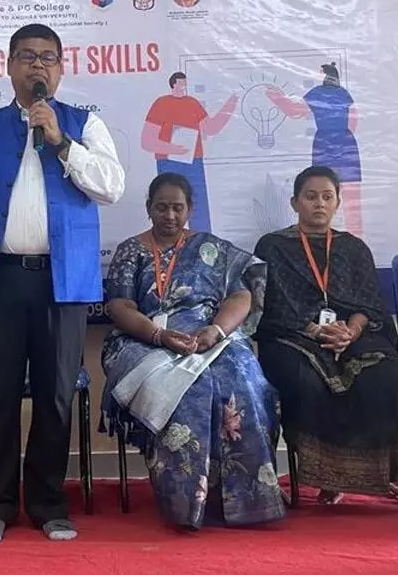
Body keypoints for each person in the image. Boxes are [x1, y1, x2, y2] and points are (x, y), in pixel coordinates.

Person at [0, 23, 125, 543]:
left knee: (55, 395)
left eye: (47, 58)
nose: (37, 66)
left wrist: (62, 144)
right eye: (26, 57)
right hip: (0, 280)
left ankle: (47, 503)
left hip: (62, 284)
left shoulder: (84, 124)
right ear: (10, 67)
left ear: (61, 70)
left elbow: (111, 186)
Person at [101, 172, 285, 529]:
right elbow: (119, 307)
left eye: (177, 208)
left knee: (244, 379)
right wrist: (159, 335)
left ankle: (248, 500)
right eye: (161, 207)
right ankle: (187, 504)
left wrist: (215, 332)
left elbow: (241, 294)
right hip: (145, 338)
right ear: (149, 208)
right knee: (190, 391)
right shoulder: (131, 250)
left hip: (210, 335)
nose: (169, 215)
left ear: (190, 209)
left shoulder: (212, 248)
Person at [254, 166, 398, 503]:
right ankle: (325, 476)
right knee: (305, 381)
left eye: (327, 197)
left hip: (353, 334)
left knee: (390, 375)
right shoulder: (273, 246)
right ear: (294, 202)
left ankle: (375, 475)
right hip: (294, 335)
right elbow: (268, 304)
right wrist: (315, 329)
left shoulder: (353, 248)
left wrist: (351, 329)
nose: (319, 204)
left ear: (337, 203)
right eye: (310, 196)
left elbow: (370, 304)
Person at [265, 63, 364, 235]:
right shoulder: (343, 93)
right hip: (347, 144)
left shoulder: (319, 93)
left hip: (325, 144)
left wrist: (276, 97)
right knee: (351, 203)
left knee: (319, 188)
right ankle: (356, 236)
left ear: (324, 76)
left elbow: (295, 111)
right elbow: (354, 122)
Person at [141, 71, 238, 232]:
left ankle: (203, 249)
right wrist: (173, 149)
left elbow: (211, 128)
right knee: (169, 210)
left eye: (185, 83)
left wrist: (229, 106)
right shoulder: (161, 104)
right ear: (173, 84)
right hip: (169, 163)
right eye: (181, 83)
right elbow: (147, 141)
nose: (184, 86)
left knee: (199, 209)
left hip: (194, 162)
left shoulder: (192, 103)